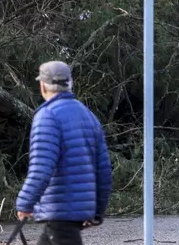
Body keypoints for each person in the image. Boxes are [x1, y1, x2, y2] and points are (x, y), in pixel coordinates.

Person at [15, 61, 113, 245]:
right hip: (65, 215)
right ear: (70, 84)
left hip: (59, 209)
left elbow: (42, 168)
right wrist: (98, 211)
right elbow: (104, 171)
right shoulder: (88, 116)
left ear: (42, 86)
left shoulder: (47, 116)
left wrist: (25, 203)